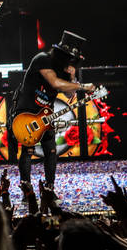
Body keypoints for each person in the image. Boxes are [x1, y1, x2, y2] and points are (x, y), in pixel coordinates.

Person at [9, 31, 95, 189]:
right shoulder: (42, 59)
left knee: (51, 151)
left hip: (46, 113)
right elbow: (55, 83)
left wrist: (72, 77)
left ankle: (49, 187)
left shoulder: (64, 69)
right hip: (28, 110)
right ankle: (26, 187)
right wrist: (82, 86)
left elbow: (69, 93)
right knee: (28, 149)